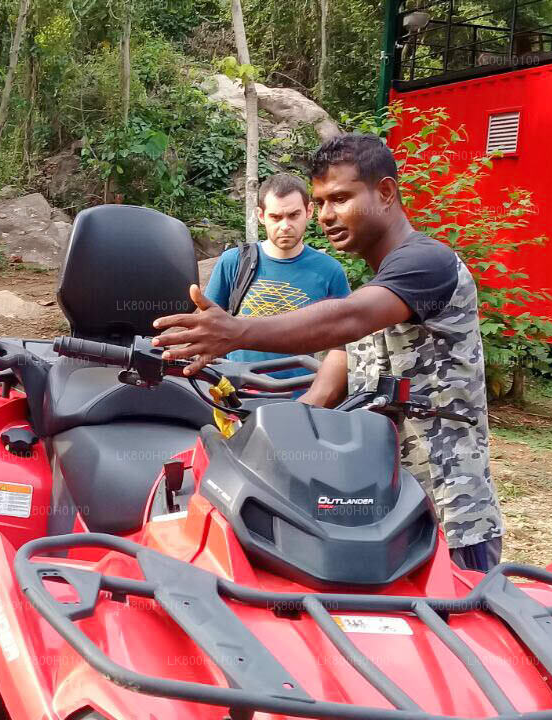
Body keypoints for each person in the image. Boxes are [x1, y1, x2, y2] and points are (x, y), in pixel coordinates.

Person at [151, 133, 504, 572]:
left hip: (452, 511)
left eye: (339, 198)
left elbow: (345, 320)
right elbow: (343, 355)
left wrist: (237, 331)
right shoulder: (385, 281)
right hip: (392, 508)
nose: (325, 216)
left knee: (461, 634)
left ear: (386, 193)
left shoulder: (427, 263)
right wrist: (286, 425)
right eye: (319, 202)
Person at [204, 173, 350, 396]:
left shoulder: (329, 271)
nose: (285, 226)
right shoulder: (234, 262)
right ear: (261, 216)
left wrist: (322, 395)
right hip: (236, 397)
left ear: (309, 212)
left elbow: (343, 345)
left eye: (293, 215)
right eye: (276, 217)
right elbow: (207, 327)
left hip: (301, 401)